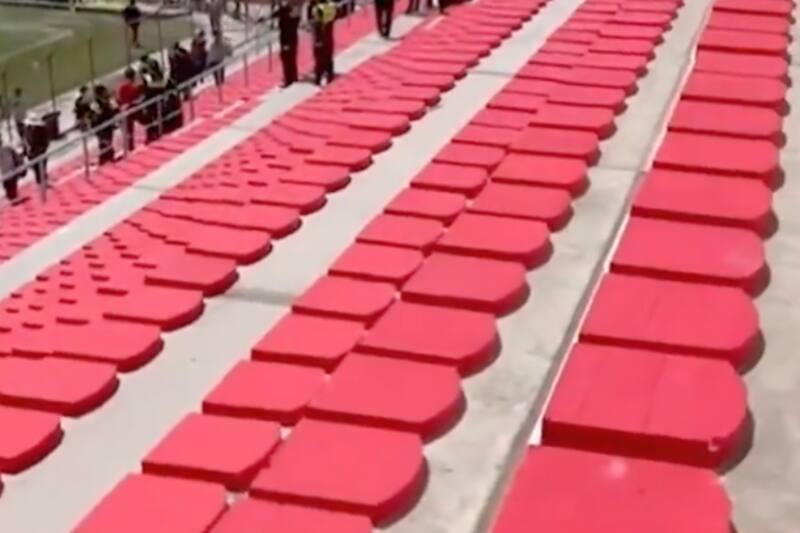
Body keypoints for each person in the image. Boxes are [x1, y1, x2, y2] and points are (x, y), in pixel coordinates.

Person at [90, 85, 119, 165]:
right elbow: (98, 114)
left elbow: (116, 109)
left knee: (109, 140)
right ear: (101, 93)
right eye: (105, 92)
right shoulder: (95, 104)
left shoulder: (110, 100)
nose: (107, 93)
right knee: (104, 142)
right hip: (99, 126)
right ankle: (104, 159)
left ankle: (108, 157)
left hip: (109, 124)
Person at [310, 0, 337, 86]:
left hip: (321, 38)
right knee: (329, 58)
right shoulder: (331, 7)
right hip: (329, 37)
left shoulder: (317, 9)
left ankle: (318, 79)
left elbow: (317, 24)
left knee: (319, 59)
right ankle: (330, 77)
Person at [275, 0, 301, 87]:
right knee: (291, 60)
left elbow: (279, 13)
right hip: (291, 40)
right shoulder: (293, 18)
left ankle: (289, 80)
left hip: (287, 41)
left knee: (288, 61)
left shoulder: (287, 20)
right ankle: (292, 78)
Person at [117, 68, 142, 151]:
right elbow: (137, 99)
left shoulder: (121, 87)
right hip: (131, 109)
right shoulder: (134, 87)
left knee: (127, 130)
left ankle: (128, 146)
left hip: (124, 109)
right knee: (130, 129)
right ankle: (130, 146)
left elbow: (119, 99)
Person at [24, 113, 50, 187]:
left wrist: (42, 149)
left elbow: (45, 141)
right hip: (32, 153)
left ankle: (43, 181)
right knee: (36, 169)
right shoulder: (27, 129)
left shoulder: (41, 130)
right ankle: (40, 182)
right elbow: (26, 140)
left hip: (39, 151)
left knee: (42, 167)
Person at [0, 136, 23, 203]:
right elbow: (17, 157)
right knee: (12, 186)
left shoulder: (7, 149)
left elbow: (16, 157)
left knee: (9, 187)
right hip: (11, 171)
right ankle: (13, 198)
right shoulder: (7, 148)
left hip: (6, 173)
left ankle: (12, 198)